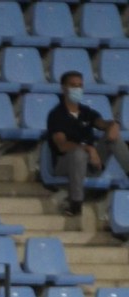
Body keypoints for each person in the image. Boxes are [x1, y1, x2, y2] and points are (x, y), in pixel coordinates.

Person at [47, 70, 129, 216]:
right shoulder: (56, 115)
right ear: (64, 88)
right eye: (73, 85)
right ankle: (76, 203)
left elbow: (102, 123)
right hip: (64, 165)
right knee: (78, 152)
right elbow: (62, 145)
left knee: (114, 138)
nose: (77, 89)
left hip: (91, 164)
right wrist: (89, 149)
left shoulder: (86, 112)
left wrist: (114, 125)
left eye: (80, 86)